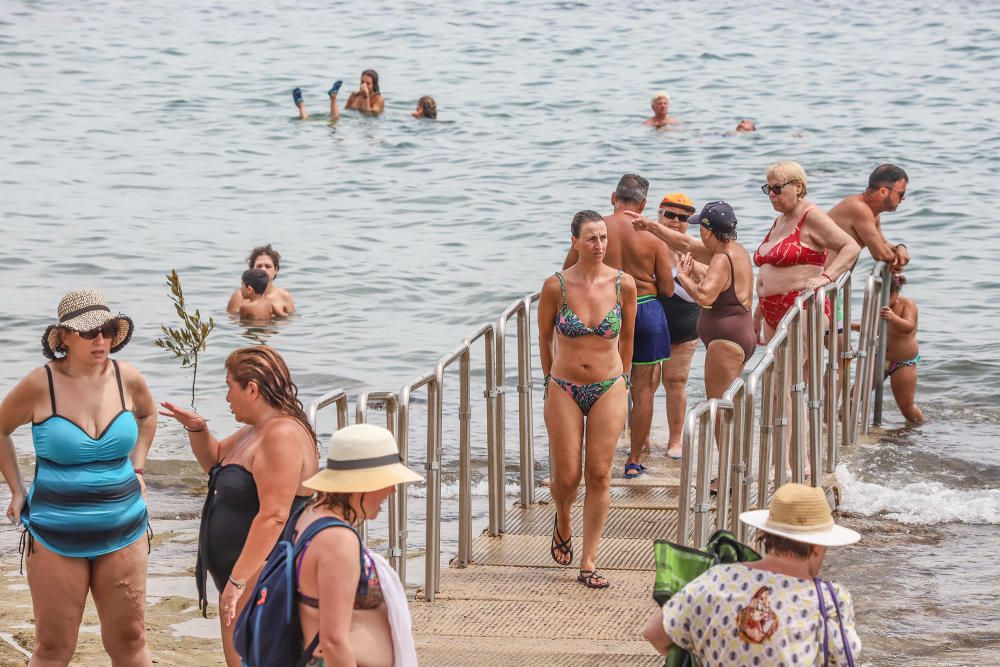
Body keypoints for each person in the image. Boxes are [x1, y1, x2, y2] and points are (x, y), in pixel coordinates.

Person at [0, 289, 156, 665]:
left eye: (106, 330)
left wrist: (138, 466)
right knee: (54, 648)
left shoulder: (127, 378)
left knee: (130, 639)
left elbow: (148, 416)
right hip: (55, 534)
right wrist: (17, 490)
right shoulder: (41, 384)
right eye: (89, 332)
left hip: (125, 528)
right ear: (65, 337)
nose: (100, 339)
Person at [159, 346, 319, 667]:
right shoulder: (254, 431)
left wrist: (237, 581)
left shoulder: (282, 435)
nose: (227, 398)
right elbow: (215, 460)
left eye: (229, 387)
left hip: (265, 574)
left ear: (252, 389)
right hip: (244, 574)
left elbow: (275, 515)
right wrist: (197, 428)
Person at [643, 483, 862, 664]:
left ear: (766, 534)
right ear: (817, 547)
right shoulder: (829, 599)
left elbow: (654, 634)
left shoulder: (717, 579)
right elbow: (843, 658)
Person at [540, 210, 637, 589]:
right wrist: (549, 379)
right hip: (564, 385)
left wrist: (625, 377)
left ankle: (589, 560)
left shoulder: (622, 284)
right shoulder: (556, 286)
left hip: (608, 384)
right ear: (575, 242)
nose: (599, 245)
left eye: (603, 238)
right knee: (567, 477)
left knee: (599, 473)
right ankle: (563, 516)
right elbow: (545, 337)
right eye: (592, 239)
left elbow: (628, 336)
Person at [565, 175, 672, 479]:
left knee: (600, 385)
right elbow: (665, 287)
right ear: (644, 203)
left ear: (614, 197)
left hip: (605, 310)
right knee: (645, 390)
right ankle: (634, 460)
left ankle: (597, 455)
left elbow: (567, 274)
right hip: (647, 309)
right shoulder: (652, 235)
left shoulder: (596, 231)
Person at [293, 423, 421, 666]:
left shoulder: (311, 515)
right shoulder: (337, 540)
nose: (393, 489)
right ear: (362, 483)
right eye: (387, 480)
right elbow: (332, 641)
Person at [753, 161, 860, 343]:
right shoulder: (780, 221)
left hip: (801, 306)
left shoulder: (811, 215)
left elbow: (851, 247)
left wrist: (826, 278)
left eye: (777, 189)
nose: (771, 194)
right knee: (780, 370)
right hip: (769, 309)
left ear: (797, 187)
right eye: (768, 189)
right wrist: (757, 316)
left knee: (793, 371)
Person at [677, 202, 756, 399]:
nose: (700, 233)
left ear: (709, 232)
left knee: (718, 405)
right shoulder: (738, 250)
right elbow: (720, 286)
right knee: (730, 403)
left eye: (701, 228)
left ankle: (720, 432)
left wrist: (684, 278)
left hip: (726, 341)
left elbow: (704, 297)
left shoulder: (721, 258)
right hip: (741, 332)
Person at [651, 193, 701, 459]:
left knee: (676, 381)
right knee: (643, 384)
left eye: (682, 218)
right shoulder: (646, 242)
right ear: (659, 215)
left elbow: (709, 285)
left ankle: (675, 440)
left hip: (685, 323)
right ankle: (642, 438)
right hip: (648, 323)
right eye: (669, 215)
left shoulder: (694, 248)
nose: (674, 222)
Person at [827, 163, 910, 272]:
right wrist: (898, 260)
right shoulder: (859, 208)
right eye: (901, 194)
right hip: (814, 282)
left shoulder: (872, 213)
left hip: (828, 282)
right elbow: (881, 254)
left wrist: (900, 247)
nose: (903, 199)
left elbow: (883, 244)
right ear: (883, 192)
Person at [879, 274, 923, 423]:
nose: (881, 300)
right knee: (856, 394)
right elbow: (873, 328)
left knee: (906, 406)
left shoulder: (907, 304)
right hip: (879, 358)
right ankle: (842, 423)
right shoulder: (878, 305)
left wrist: (893, 317)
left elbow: (908, 327)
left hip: (904, 362)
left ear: (895, 293)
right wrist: (851, 326)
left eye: (885, 296)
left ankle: (922, 429)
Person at [226, 244, 295, 316]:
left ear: (276, 269)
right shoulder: (239, 296)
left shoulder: (284, 296)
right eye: (259, 266)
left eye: (268, 266)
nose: (263, 270)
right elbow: (231, 322)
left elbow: (289, 321)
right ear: (251, 269)